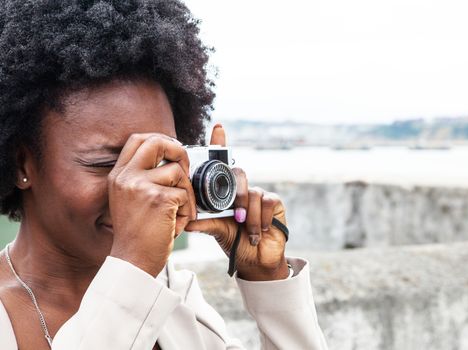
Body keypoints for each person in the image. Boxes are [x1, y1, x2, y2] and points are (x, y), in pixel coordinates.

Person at [0, 1, 327, 349]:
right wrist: (133, 267)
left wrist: (270, 283)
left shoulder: (174, 295)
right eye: (105, 164)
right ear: (23, 165)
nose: (139, 189)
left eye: (159, 160)